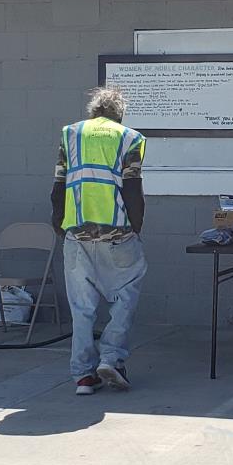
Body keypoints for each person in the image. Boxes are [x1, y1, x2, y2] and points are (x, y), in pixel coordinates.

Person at [51, 86, 147, 395]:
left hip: (76, 233)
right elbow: (132, 188)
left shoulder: (71, 134)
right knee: (126, 295)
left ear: (93, 111)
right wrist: (136, 226)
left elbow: (58, 186)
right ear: (119, 114)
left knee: (82, 308)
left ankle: (83, 377)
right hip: (117, 233)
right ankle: (111, 358)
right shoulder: (129, 137)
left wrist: (60, 224)